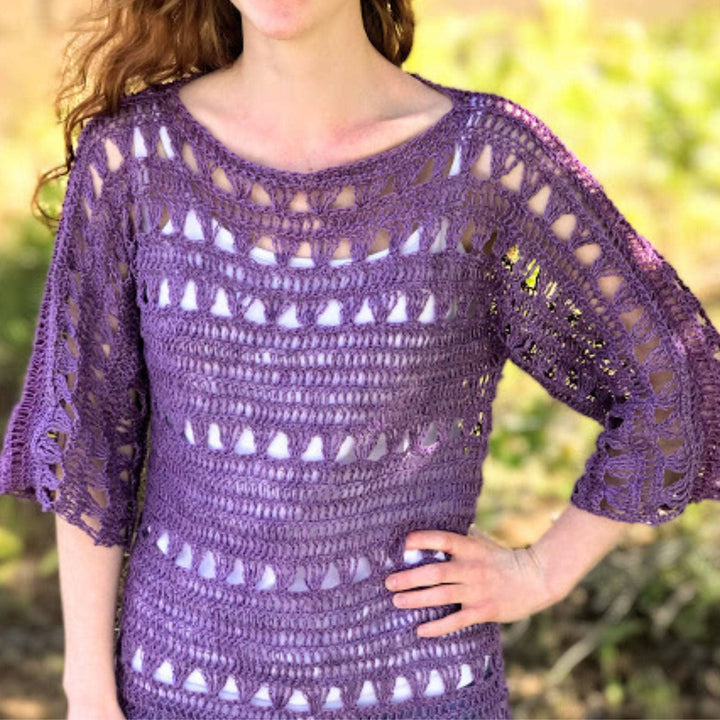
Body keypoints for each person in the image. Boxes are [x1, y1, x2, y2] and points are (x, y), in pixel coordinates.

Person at [1, 0, 719, 718]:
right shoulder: (135, 161)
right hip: (178, 691)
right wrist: (87, 690)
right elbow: (87, 442)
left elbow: (681, 378)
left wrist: (543, 571)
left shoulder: (482, 165)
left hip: (416, 692)